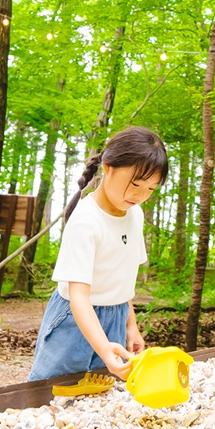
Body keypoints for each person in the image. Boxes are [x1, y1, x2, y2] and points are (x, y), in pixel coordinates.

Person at [26, 126, 168, 382]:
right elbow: (78, 295)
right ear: (108, 167)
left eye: (150, 189)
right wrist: (103, 347)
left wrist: (130, 326)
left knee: (101, 393)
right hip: (75, 318)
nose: (140, 195)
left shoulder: (135, 214)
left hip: (116, 315)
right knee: (52, 391)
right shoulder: (86, 219)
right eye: (135, 183)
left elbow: (123, 280)